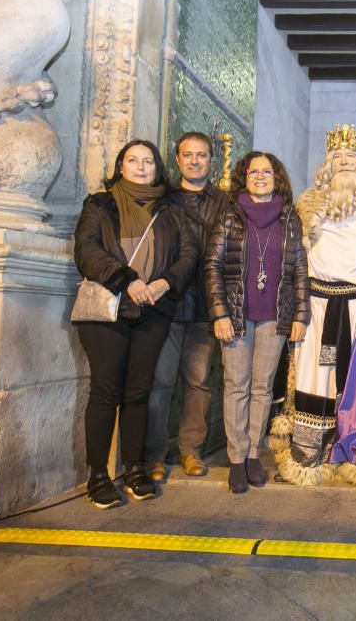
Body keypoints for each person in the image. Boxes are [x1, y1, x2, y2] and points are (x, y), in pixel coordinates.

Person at [269, 124, 356, 486]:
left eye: (352, 158)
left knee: (354, 382)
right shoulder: (308, 205)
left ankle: (351, 452)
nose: (344, 163)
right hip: (317, 307)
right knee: (317, 375)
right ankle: (308, 455)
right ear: (327, 165)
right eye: (338, 158)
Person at [73, 139, 197, 509]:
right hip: (110, 307)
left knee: (138, 392)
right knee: (106, 391)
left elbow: (189, 254)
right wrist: (128, 280)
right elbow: (87, 250)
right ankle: (98, 475)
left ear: (158, 167)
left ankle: (135, 470)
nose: (141, 166)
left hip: (154, 309)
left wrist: (164, 282)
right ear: (120, 166)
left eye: (148, 161)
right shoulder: (100, 204)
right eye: (133, 160)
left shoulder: (172, 211)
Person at [205, 151, 309, 494]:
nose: (261, 176)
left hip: (274, 316)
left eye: (267, 172)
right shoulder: (230, 216)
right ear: (244, 177)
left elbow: (299, 271)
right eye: (254, 172)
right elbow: (213, 267)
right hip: (235, 315)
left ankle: (252, 454)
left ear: (276, 177)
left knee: (263, 388)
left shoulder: (290, 218)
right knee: (237, 385)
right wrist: (219, 313)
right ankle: (236, 459)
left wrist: (300, 316)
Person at [144, 132, 229, 482]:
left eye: (202, 155)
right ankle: (154, 456)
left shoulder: (225, 203)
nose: (194, 161)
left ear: (211, 160)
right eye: (187, 155)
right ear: (177, 159)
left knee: (198, 383)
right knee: (160, 382)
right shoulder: (162, 199)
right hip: (166, 303)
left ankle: (190, 450)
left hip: (205, 305)